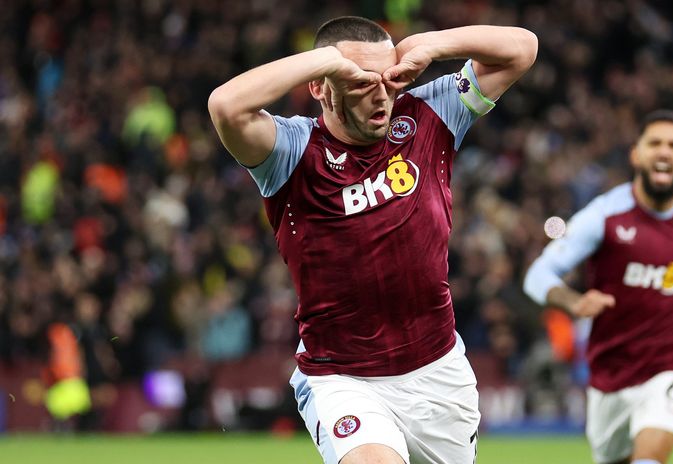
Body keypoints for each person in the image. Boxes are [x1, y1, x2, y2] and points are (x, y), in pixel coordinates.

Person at [208, 16, 537, 464]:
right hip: (343, 377)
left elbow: (522, 47)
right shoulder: (290, 151)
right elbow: (226, 106)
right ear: (321, 88)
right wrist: (326, 60)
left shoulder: (430, 114)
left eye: (388, 80)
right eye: (361, 84)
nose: (382, 96)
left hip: (438, 371)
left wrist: (429, 45)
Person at [523, 110, 673, 464]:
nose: (664, 152)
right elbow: (537, 275)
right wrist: (573, 302)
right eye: (655, 143)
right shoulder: (603, 216)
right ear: (636, 154)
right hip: (608, 372)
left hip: (670, 365)